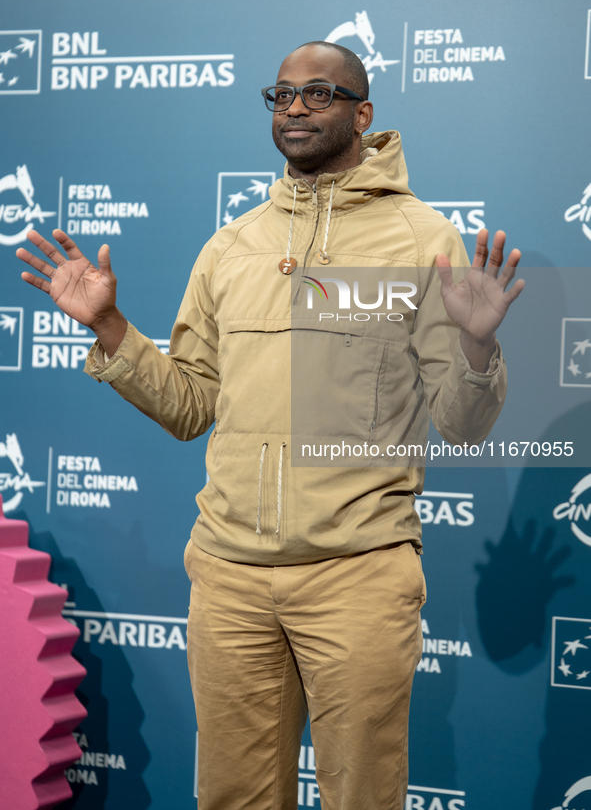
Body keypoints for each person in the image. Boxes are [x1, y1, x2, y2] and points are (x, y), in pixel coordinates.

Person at [17, 41, 523, 810]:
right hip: (229, 578)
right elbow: (190, 404)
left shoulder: (422, 241)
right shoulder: (232, 246)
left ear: (364, 114)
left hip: (357, 573)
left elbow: (461, 423)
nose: (294, 108)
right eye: (280, 95)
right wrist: (112, 328)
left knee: (364, 796)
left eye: (319, 94)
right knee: (233, 796)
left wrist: (478, 346)